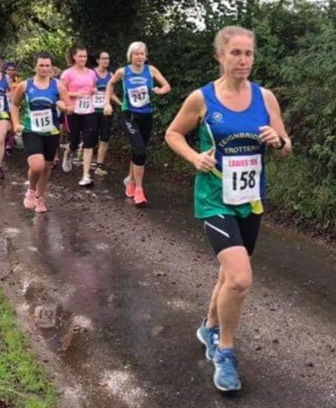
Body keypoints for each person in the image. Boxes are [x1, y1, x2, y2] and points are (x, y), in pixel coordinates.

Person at [165, 26, 292, 392]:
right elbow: (173, 134)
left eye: (248, 53)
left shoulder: (266, 98)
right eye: (235, 53)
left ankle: (208, 327)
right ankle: (226, 351)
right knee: (239, 277)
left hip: (250, 199)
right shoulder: (202, 99)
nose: (243, 60)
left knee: (227, 272)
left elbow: (286, 149)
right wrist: (194, 158)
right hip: (213, 199)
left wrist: (278, 140)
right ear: (220, 56)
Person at [104, 41, 170, 205]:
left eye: (142, 54)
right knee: (140, 151)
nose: (140, 57)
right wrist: (107, 102)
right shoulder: (123, 72)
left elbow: (167, 85)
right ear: (131, 56)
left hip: (146, 115)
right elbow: (110, 84)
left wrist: (160, 91)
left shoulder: (151, 70)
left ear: (145, 56)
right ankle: (139, 189)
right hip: (129, 115)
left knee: (138, 150)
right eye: (136, 54)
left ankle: (130, 180)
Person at [10, 51, 71, 213]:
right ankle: (31, 190)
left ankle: (40, 197)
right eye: (41, 65)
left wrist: (64, 107)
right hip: (31, 130)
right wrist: (16, 124)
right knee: (36, 166)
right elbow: (15, 106)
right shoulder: (25, 85)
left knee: (46, 167)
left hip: (51, 131)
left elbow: (70, 107)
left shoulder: (58, 85)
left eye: (47, 65)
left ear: (51, 67)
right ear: (35, 66)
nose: (44, 68)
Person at [61, 45, 98, 186]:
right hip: (73, 111)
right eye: (80, 56)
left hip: (89, 111)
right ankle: (68, 153)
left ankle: (85, 175)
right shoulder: (67, 74)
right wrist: (76, 94)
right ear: (74, 57)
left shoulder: (91, 73)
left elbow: (93, 87)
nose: (83, 58)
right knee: (75, 143)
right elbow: (61, 92)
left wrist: (93, 91)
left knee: (89, 143)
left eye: (85, 56)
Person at [93, 51, 121, 176]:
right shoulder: (91, 74)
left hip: (106, 111)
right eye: (103, 58)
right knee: (92, 138)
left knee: (105, 138)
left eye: (108, 59)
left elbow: (112, 93)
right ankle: (82, 150)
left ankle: (99, 165)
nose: (106, 61)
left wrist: (121, 104)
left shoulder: (111, 75)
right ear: (98, 60)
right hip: (92, 110)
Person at [3, 61, 21, 154]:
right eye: (9, 70)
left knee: (14, 126)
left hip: (16, 107)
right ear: (5, 71)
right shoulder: (1, 81)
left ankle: (9, 142)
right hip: (4, 107)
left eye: (13, 70)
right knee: (7, 126)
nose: (11, 72)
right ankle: (6, 142)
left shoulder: (19, 81)